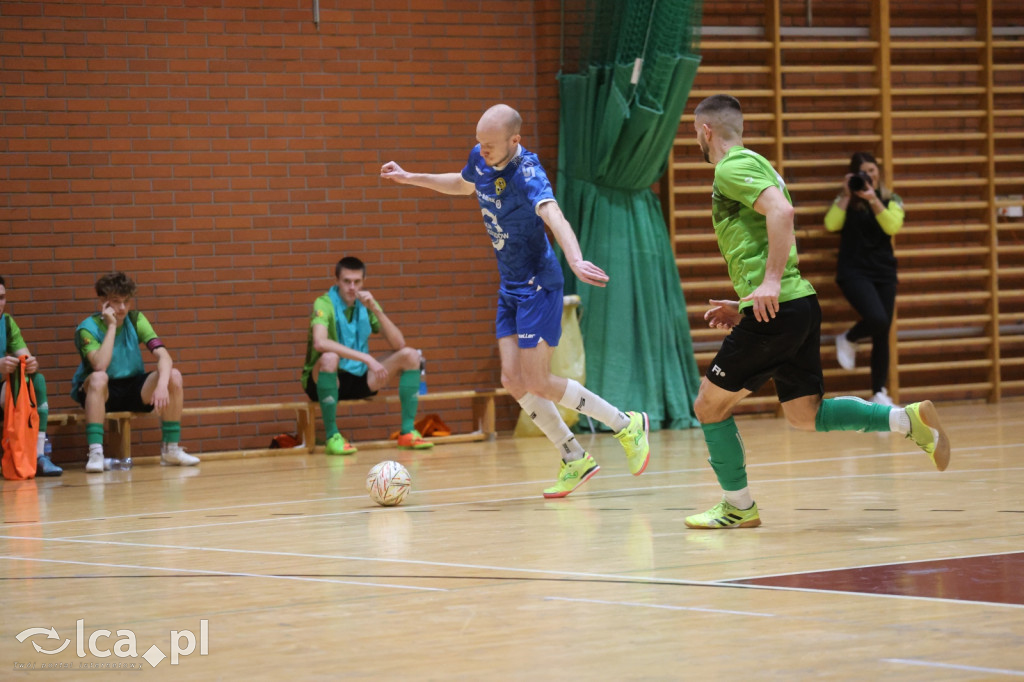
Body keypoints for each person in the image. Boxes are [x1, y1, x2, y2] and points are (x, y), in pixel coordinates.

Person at [686, 94, 950, 529]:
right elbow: (779, 225)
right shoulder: (759, 164)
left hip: (780, 308)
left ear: (706, 130)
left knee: (708, 406)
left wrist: (769, 284)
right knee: (804, 414)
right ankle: (908, 420)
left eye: (694, 131)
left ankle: (737, 506)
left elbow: (783, 212)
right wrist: (751, 298)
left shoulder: (731, 167)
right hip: (794, 305)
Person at [380, 103, 651, 498]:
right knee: (512, 379)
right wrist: (410, 177)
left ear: (515, 141)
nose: (482, 151)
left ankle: (625, 424)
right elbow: (462, 183)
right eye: (479, 143)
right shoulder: (482, 157)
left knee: (538, 380)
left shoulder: (528, 173)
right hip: (510, 285)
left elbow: (554, 215)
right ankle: (574, 457)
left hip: (539, 284)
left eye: (490, 145)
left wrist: (574, 258)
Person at [302, 256, 434, 455]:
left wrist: (376, 309)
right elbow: (320, 342)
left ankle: (407, 433)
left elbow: (398, 344)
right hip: (326, 379)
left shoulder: (365, 304)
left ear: (364, 282)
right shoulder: (324, 303)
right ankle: (332, 436)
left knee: (411, 356)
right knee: (329, 357)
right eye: (347, 281)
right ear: (337, 281)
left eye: (357, 282)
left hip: (360, 378)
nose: (352, 287)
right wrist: (367, 358)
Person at [71, 272, 199, 472]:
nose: (122, 308)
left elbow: (164, 356)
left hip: (133, 388)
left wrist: (162, 386)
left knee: (173, 375)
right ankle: (96, 454)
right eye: (116, 302)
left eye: (126, 301)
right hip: (101, 391)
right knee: (98, 378)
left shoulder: (137, 319)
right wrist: (112, 326)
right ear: (103, 301)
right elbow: (100, 365)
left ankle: (170, 450)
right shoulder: (87, 328)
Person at [826, 152, 905, 407]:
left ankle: (879, 391)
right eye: (863, 172)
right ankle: (848, 337)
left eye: (872, 170)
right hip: (853, 270)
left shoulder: (890, 199)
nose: (868, 176)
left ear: (878, 171)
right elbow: (831, 224)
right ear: (854, 175)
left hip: (884, 271)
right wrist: (847, 195)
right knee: (877, 319)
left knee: (883, 331)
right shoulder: (846, 199)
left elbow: (892, 226)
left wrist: (873, 200)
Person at [0, 276, 62, 476]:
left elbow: (25, 356)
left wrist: (31, 364)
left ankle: (37, 455)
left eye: (1, 297)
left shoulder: (7, 322)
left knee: (36, 380)